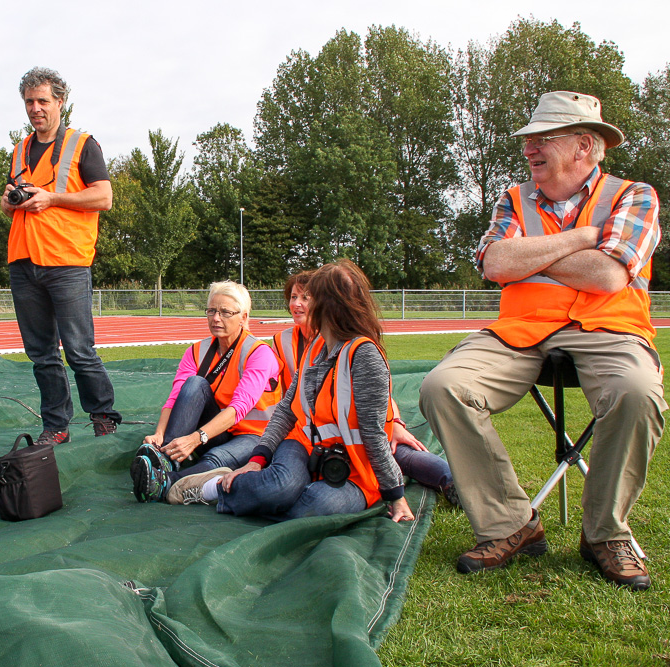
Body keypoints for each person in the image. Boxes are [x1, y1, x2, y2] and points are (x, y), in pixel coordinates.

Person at [419, 91, 664, 591]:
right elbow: (493, 264)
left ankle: (604, 534)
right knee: (442, 386)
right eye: (529, 139)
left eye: (543, 138)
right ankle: (512, 525)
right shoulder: (513, 198)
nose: (530, 147)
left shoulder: (635, 195)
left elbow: (609, 278)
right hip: (520, 331)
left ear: (585, 146)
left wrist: (527, 256)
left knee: (637, 392)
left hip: (610, 327)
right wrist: (580, 238)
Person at [168, 261, 414, 524]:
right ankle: (213, 487)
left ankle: (231, 488)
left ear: (327, 305)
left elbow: (373, 434)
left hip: (352, 470)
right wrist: (257, 459)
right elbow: (286, 410)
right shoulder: (315, 346)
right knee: (279, 488)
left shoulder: (364, 355)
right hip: (303, 445)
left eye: (308, 298)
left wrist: (395, 494)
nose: (299, 305)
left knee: (306, 509)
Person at [1, 67, 121, 446]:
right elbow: (16, 203)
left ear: (60, 102)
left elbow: (104, 196)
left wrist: (52, 197)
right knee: (41, 355)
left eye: (42, 101)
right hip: (23, 261)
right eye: (29, 102)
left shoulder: (82, 144)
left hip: (67, 262)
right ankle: (56, 426)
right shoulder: (20, 148)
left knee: (79, 350)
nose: (35, 109)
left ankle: (103, 417)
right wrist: (9, 203)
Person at [273, 271, 457, 504]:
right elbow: (284, 400)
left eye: (305, 297)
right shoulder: (281, 341)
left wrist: (396, 423)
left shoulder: (347, 341)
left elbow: (374, 394)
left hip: (347, 431)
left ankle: (453, 483)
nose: (297, 304)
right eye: (293, 297)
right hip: (309, 431)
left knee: (396, 450)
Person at [130, 281, 281, 502]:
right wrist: (160, 434)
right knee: (194, 384)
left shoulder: (259, 353)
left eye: (225, 312)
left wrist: (195, 438)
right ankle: (165, 459)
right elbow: (175, 398)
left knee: (216, 457)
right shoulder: (197, 351)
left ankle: (166, 482)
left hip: (254, 435)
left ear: (244, 318)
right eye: (211, 311)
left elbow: (239, 408)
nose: (216, 318)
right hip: (218, 430)